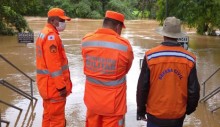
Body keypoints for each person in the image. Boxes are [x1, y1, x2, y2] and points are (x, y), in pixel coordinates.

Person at [136, 17, 200, 127]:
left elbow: (142, 87)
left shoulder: (150, 56)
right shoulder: (189, 59)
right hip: (177, 117)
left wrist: (141, 110)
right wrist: (186, 110)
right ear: (178, 36)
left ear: (164, 34)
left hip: (155, 116)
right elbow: (194, 91)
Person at [81, 10, 134, 127]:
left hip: (92, 103)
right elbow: (126, 69)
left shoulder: (86, 41)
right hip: (113, 106)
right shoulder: (124, 46)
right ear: (118, 26)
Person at [35, 8, 72, 127]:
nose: (63, 23)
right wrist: (61, 87)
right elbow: (54, 65)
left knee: (48, 116)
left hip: (46, 85)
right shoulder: (51, 36)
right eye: (61, 20)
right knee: (57, 120)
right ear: (52, 20)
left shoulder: (44, 32)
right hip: (54, 88)